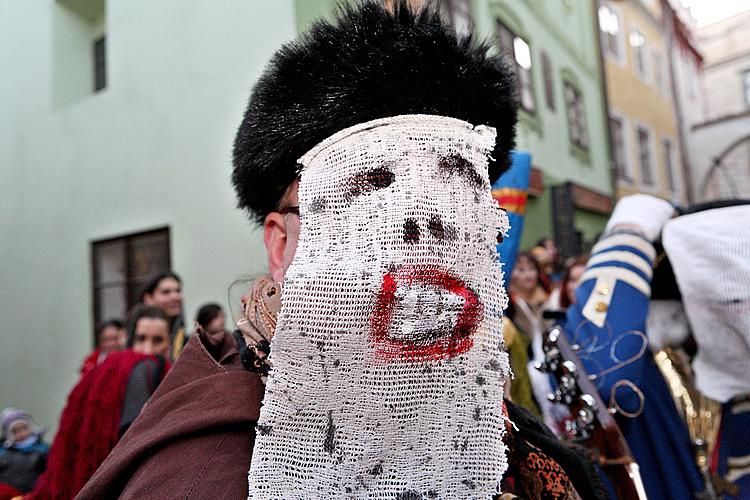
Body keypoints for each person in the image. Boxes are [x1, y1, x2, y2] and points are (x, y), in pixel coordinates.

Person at [78, 3, 604, 498]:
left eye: (458, 189)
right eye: (372, 192)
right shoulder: (201, 472)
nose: (427, 230)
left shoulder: (514, 436)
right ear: (282, 245)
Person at [555, 194, 705, 498]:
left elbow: (610, 374)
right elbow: (612, 379)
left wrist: (626, 237)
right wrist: (630, 235)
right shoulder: (648, 357)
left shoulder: (661, 357)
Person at [26, 307, 170, 500]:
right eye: (141, 338)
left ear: (169, 343)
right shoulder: (145, 368)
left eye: (157, 340)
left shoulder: (113, 371)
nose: (147, 349)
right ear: (127, 338)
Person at [127, 272, 187, 360]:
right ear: (148, 298)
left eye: (178, 291)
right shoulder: (127, 334)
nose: (175, 297)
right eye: (166, 292)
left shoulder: (188, 340)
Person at [0, 409, 48, 498]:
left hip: (32, 495)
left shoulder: (42, 451)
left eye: (24, 428)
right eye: (15, 431)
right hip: (8, 495)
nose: (21, 433)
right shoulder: (3, 453)